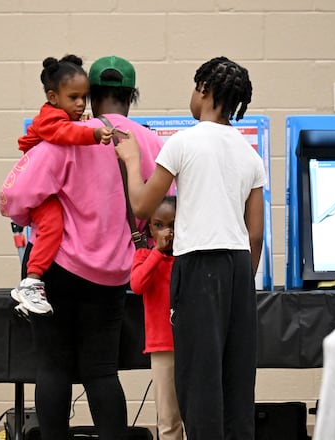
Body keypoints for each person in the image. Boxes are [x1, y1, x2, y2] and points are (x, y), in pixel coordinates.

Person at [0, 55, 165, 440]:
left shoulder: (67, 137)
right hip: (112, 274)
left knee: (53, 368)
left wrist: (36, 218)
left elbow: (16, 196)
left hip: (56, 269)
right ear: (132, 95)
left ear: (89, 96)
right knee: (102, 371)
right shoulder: (152, 142)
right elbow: (167, 206)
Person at [115, 56, 265, 440]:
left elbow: (142, 207)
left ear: (205, 90)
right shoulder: (249, 153)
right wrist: (239, 282)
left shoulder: (183, 141)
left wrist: (132, 161)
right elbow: (255, 236)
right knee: (235, 380)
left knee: (199, 380)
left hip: (199, 266)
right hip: (237, 267)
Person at [11, 54, 114, 316]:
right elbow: (63, 134)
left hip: (49, 187)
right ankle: (32, 281)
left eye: (84, 97)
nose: (81, 103)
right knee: (52, 226)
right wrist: (91, 132)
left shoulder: (62, 116)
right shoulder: (50, 118)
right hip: (41, 192)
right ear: (53, 97)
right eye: (73, 98)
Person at [129, 195, 184, 440]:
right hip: (163, 346)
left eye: (173, 224)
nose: (167, 232)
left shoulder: (189, 258)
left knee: (195, 412)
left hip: (192, 344)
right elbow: (138, 284)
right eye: (159, 225)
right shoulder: (144, 257)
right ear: (150, 229)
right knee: (168, 416)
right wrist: (157, 253)